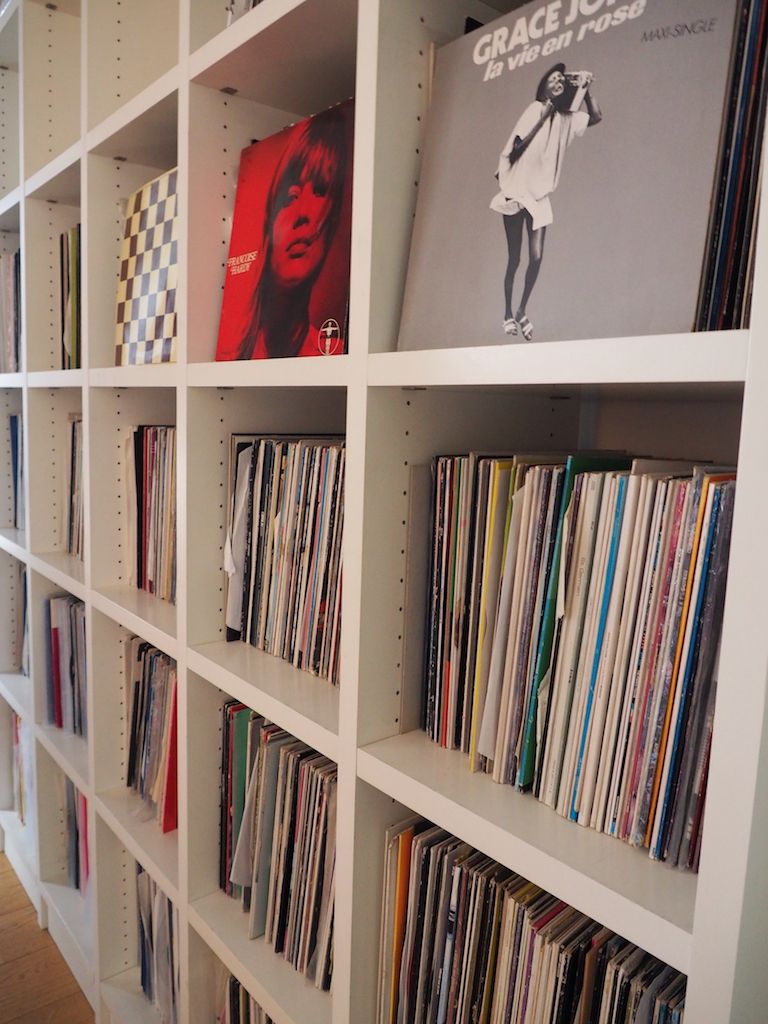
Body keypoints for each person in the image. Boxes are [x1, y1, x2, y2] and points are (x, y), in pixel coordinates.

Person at [490, 63, 602, 341]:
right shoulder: (534, 109)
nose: (558, 81)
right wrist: (543, 117)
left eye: (562, 79)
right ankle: (507, 313)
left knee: (537, 257)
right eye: (553, 79)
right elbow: (514, 149)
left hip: (539, 196)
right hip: (517, 192)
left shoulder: (567, 118)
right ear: (544, 86)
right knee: (515, 258)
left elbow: (596, 117)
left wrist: (587, 90)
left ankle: (521, 310)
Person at [236, 105, 350, 359]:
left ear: (332, 221)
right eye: (291, 197)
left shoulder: (331, 350)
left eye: (320, 191)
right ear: (269, 221)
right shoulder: (233, 350)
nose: (303, 214)